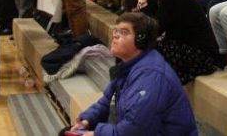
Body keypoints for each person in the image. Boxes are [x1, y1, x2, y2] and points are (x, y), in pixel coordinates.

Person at [69, 13, 197, 136]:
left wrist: (97, 133)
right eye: (116, 31)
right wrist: (87, 120)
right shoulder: (129, 65)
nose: (115, 36)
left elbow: (134, 130)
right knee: (68, 132)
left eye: (123, 32)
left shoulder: (151, 77)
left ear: (141, 40)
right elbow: (107, 100)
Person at [135, 0, 222, 83]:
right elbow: (145, 24)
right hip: (178, 46)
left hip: (198, 54)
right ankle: (125, 89)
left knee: (135, 47)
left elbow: (153, 29)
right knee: (131, 42)